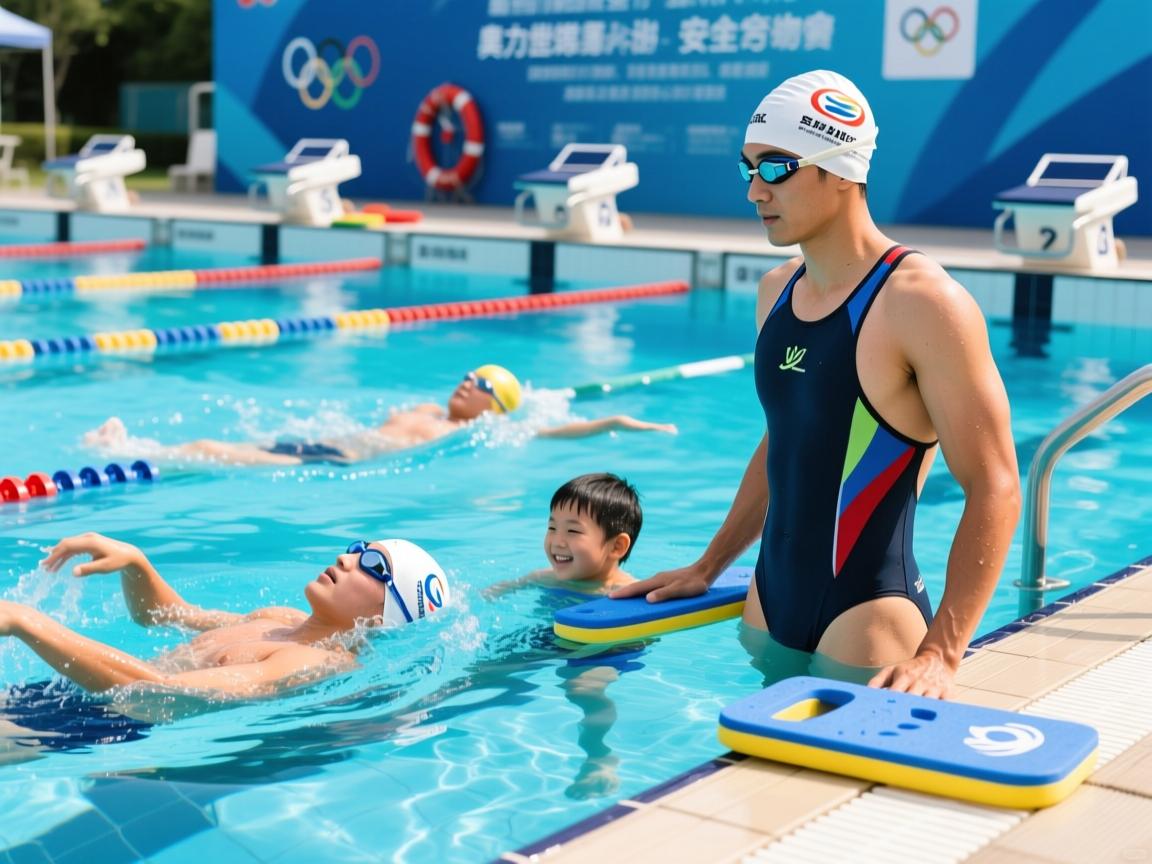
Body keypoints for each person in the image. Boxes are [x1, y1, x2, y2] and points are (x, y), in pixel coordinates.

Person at [613, 69, 1021, 699]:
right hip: (767, 604)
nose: (755, 190)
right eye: (748, 168)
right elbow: (787, 439)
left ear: (842, 170)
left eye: (776, 168)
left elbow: (995, 485)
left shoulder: (922, 302)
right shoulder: (776, 291)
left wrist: (942, 653)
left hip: (867, 622)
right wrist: (709, 565)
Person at [0, 532, 450, 697]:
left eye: (373, 565)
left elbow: (157, 693)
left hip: (99, 724)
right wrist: (136, 562)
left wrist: (28, 622)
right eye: (358, 548)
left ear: (385, 616)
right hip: (76, 688)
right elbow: (162, 615)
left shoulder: (313, 663)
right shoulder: (279, 618)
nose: (347, 558)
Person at [83, 364, 677, 466]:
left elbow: (555, 430)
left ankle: (126, 448)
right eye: (467, 375)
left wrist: (619, 423)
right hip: (330, 443)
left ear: (493, 406)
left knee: (216, 451)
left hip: (339, 459)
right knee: (223, 446)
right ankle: (134, 446)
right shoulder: (426, 409)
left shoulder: (481, 429)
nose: (465, 383)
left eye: (479, 385)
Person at [486, 472, 642, 597]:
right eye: (552, 527)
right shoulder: (546, 578)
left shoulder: (628, 593)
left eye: (573, 531)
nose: (557, 542)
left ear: (616, 546)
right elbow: (498, 590)